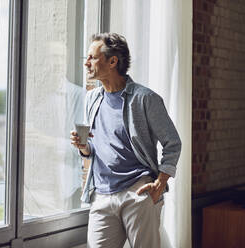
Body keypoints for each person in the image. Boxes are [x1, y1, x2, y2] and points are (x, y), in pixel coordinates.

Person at [70, 33, 181, 248]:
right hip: (101, 193)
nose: (86, 63)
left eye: (92, 57)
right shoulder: (92, 98)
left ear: (113, 61)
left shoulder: (145, 99)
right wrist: (83, 147)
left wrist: (161, 182)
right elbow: (96, 147)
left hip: (137, 190)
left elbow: (173, 142)